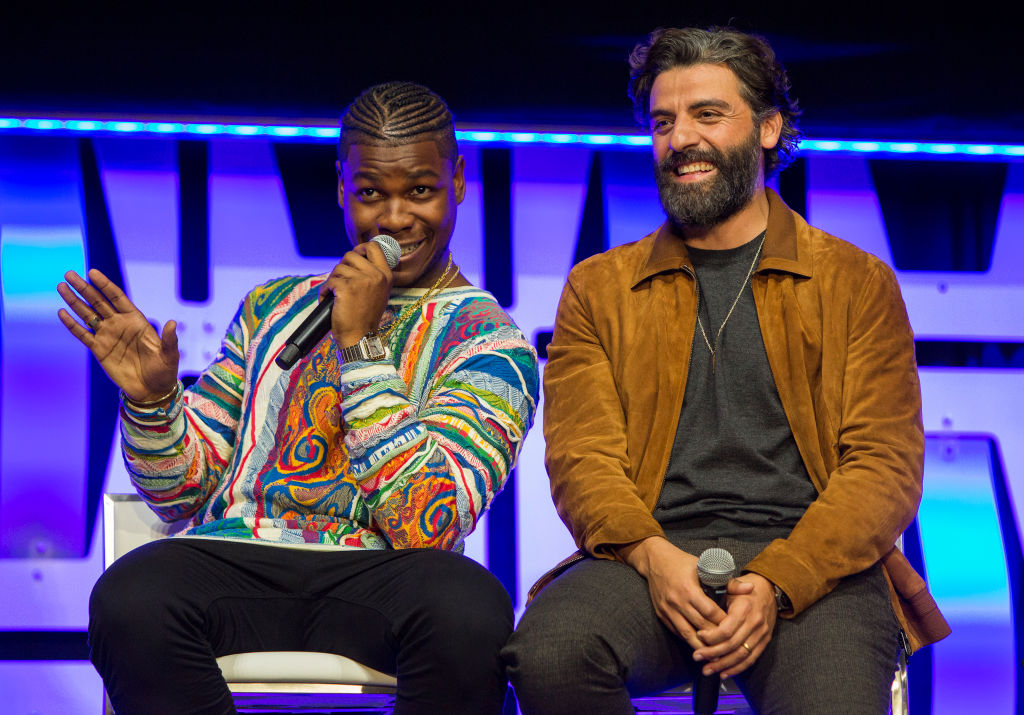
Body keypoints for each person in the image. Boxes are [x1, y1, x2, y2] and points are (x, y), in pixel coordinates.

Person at [504, 27, 949, 714]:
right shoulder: (600, 287)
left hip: (814, 569)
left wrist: (778, 578)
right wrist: (652, 556)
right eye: (663, 122)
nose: (680, 138)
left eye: (707, 114)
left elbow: (882, 467)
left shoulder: (854, 282)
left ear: (769, 128)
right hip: (648, 559)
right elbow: (582, 459)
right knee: (551, 652)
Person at [58, 81, 539, 715]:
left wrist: (361, 346)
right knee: (129, 598)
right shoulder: (272, 308)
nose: (395, 219)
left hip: (382, 572)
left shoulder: (490, 343)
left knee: (469, 611)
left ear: (457, 182)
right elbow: (180, 493)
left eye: (420, 191)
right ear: (342, 188)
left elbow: (427, 521)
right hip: (241, 556)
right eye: (371, 193)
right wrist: (154, 404)